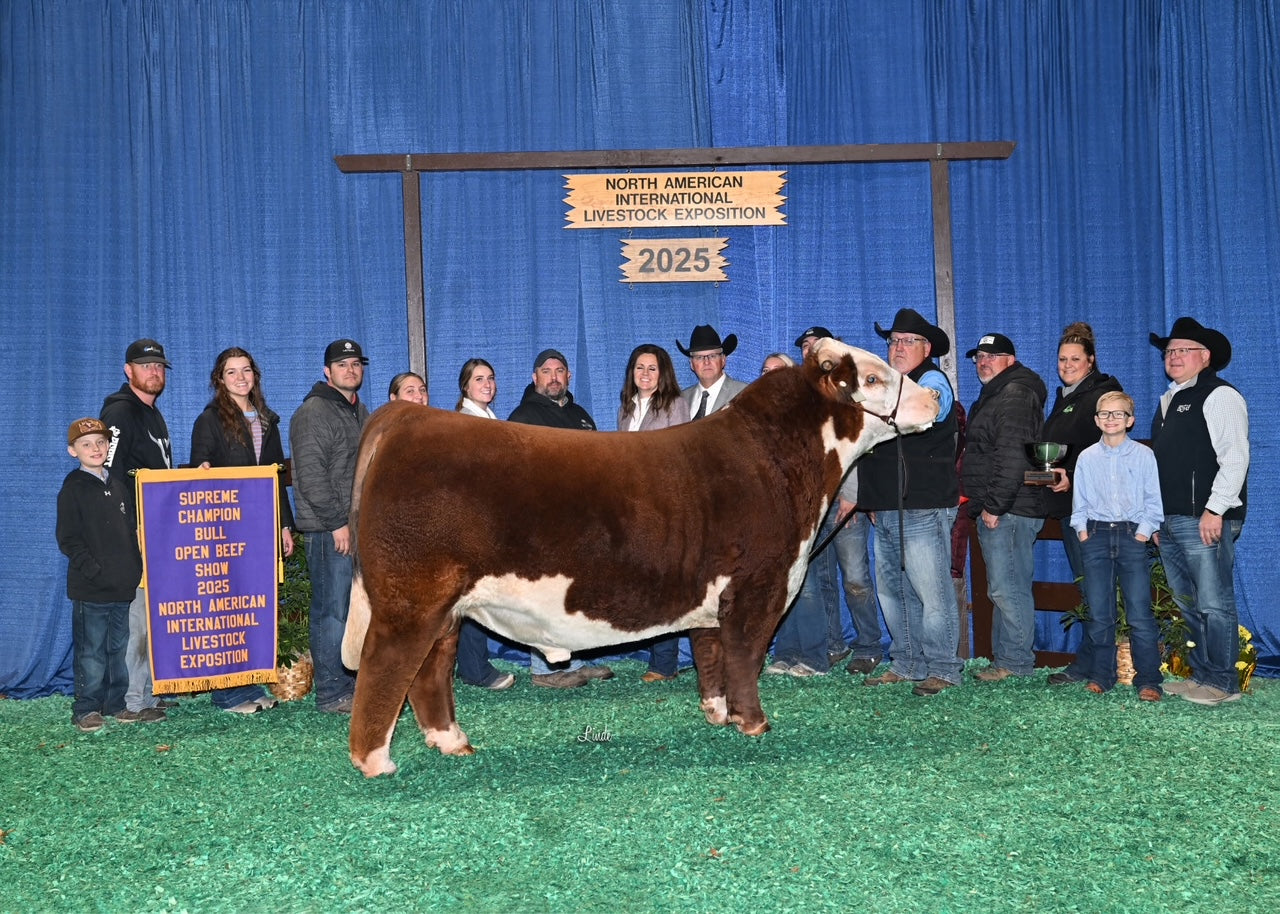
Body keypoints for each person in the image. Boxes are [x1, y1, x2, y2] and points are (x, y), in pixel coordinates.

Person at [855, 310, 962, 695]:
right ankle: (907, 662)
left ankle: (945, 667)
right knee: (894, 590)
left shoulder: (931, 379)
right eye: (894, 340)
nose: (898, 347)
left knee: (930, 591)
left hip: (921, 502)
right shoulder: (886, 383)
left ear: (926, 348)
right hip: (886, 505)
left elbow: (935, 405)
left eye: (908, 341)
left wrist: (923, 397)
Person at [1149, 317, 1249, 706]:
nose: (1173, 357)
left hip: (1204, 518)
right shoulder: (1169, 400)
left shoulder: (1219, 395)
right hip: (1173, 519)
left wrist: (1215, 509)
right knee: (1189, 602)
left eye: (1182, 350)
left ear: (1204, 357)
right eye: (1169, 351)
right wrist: (1158, 517)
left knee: (1213, 601)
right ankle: (1203, 674)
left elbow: (1235, 458)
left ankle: (1224, 683)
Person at [190, 347, 296, 714]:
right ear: (220, 379)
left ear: (255, 375)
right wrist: (201, 470)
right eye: (231, 372)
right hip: (225, 525)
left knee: (254, 606)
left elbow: (277, 476)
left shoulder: (268, 419)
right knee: (227, 608)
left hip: (262, 523)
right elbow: (199, 468)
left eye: (246, 370)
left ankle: (251, 684)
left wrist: (284, 524)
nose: (240, 377)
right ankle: (228, 693)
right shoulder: (209, 420)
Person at [508, 349, 613, 687]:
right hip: (543, 522)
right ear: (534, 377)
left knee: (574, 594)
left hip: (581, 521)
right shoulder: (523, 417)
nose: (553, 376)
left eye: (560, 370)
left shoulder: (582, 416)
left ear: (568, 377)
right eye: (546, 371)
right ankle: (545, 669)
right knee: (544, 596)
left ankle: (574, 661)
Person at [1039, 323, 1124, 687]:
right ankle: (1092, 663)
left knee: (1096, 588)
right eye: (1062, 358)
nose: (1067, 364)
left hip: (1097, 508)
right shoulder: (1068, 396)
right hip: (1075, 507)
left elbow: (1113, 448)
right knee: (1091, 587)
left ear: (1090, 361)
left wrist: (1072, 473)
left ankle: (1094, 666)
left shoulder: (1104, 396)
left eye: (1075, 358)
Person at [289, 339, 371, 713]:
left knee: (352, 608)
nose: (350, 370)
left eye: (355, 364)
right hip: (329, 529)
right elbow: (309, 477)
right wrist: (338, 523)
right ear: (327, 371)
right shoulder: (314, 412)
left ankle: (348, 682)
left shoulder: (357, 410)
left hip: (356, 525)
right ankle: (331, 691)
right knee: (331, 609)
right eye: (342, 364)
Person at [962, 332, 1047, 682]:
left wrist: (995, 506)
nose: (983, 362)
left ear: (1010, 360)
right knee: (1002, 586)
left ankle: (1016, 663)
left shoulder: (1015, 394)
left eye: (992, 356)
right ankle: (1006, 660)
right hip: (1004, 506)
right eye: (979, 357)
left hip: (1010, 508)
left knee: (1007, 587)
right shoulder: (999, 393)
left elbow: (1012, 455)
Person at [1069, 391, 1164, 700]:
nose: (1111, 419)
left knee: (1139, 612)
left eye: (1118, 414)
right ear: (1096, 420)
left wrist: (1142, 533)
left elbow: (1153, 501)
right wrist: (1083, 532)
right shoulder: (1086, 457)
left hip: (1131, 536)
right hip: (1095, 536)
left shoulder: (1143, 455)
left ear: (1130, 420)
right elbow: (1079, 503)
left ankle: (1149, 680)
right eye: (1105, 414)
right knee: (1099, 612)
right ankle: (1102, 675)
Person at [100, 338, 174, 722]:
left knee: (148, 616)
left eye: (159, 367)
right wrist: (125, 528)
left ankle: (145, 692)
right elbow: (107, 473)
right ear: (128, 370)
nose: (154, 372)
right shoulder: (119, 413)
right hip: (132, 530)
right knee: (134, 619)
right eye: (146, 366)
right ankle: (131, 702)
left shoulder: (152, 414)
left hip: (154, 528)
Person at [56, 418, 145, 731]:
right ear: (72, 451)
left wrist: (135, 568)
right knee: (91, 651)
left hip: (122, 587)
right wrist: (93, 570)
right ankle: (86, 708)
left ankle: (116, 704)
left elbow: (130, 531)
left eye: (100, 442)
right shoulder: (73, 489)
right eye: (86, 444)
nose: (95, 449)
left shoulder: (119, 486)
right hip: (90, 588)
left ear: (109, 447)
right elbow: (68, 539)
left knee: (117, 649)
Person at [618, 344, 692, 682]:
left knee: (666, 584)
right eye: (639, 368)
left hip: (664, 508)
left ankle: (665, 663)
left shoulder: (675, 405)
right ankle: (654, 655)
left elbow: (681, 459)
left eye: (652, 368)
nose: (645, 374)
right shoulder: (626, 408)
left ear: (663, 374)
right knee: (646, 583)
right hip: (633, 508)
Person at [444, 358, 514, 690]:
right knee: (472, 594)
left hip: (489, 517)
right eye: (479, 379)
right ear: (466, 387)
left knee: (479, 593)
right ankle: (474, 668)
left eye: (491, 378)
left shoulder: (487, 418)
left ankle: (473, 663)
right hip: (473, 520)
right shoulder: (465, 421)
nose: (487, 384)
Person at [677, 325, 747, 419]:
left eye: (712, 356)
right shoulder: (681, 399)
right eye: (699, 357)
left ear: (723, 360)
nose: (706, 362)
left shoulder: (743, 393)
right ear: (691, 364)